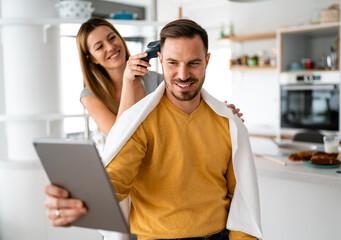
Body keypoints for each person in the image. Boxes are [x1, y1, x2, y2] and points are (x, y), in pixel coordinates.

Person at [44, 19, 262, 240]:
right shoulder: (138, 120)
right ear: (160, 60)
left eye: (194, 63)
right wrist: (77, 198)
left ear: (207, 61)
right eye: (173, 63)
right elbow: (115, 178)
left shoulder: (227, 122)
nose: (183, 74)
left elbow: (241, 200)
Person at [77, 17, 242, 136]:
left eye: (112, 38)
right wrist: (128, 80)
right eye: (99, 47)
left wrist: (221, 113)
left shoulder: (156, 80)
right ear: (90, 58)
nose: (111, 46)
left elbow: (191, 111)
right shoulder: (90, 95)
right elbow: (118, 137)